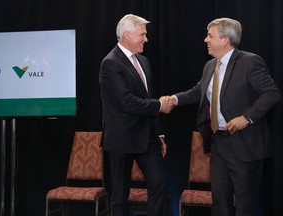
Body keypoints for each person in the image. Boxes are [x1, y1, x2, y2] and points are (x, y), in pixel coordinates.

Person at [167, 18, 281, 216]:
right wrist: (174, 99)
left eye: (210, 36)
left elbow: (271, 93)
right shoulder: (210, 65)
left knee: (246, 205)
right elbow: (198, 91)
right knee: (219, 202)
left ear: (225, 40)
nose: (205, 40)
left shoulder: (250, 61)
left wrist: (246, 118)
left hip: (245, 145)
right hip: (218, 143)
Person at [99, 14, 171, 216]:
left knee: (159, 185)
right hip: (121, 139)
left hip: (147, 137)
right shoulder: (110, 63)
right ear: (126, 35)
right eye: (142, 34)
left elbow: (148, 97)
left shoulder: (144, 61)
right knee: (119, 196)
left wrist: (160, 134)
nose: (146, 39)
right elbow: (125, 101)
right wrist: (159, 105)